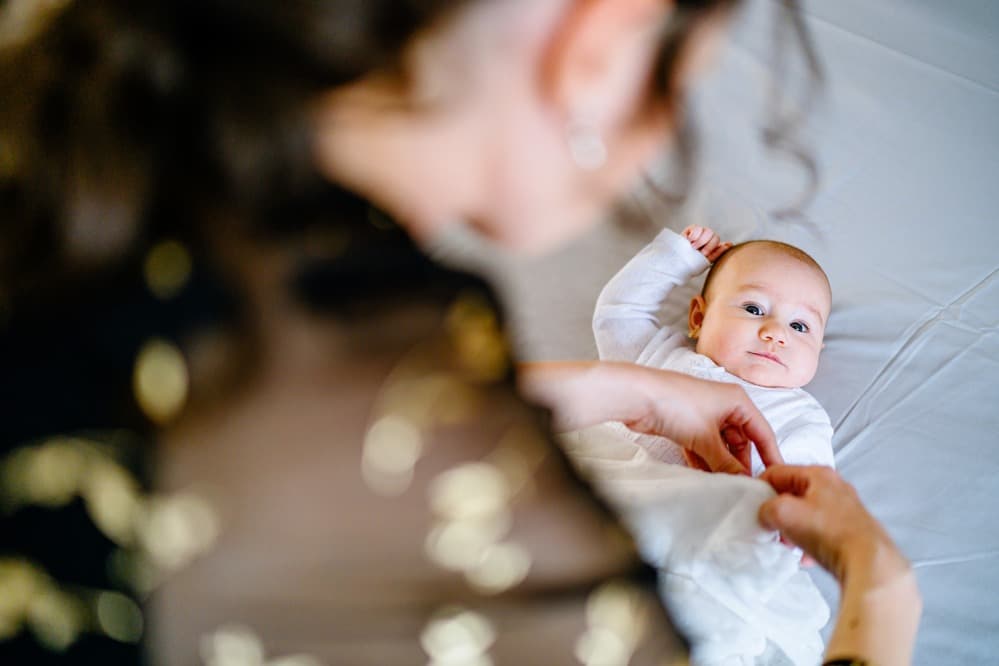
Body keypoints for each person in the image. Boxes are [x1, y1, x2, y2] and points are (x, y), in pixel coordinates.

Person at [0, 1, 919, 665]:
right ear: (599, 43)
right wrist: (879, 599)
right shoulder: (388, 367)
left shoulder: (102, 180)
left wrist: (638, 391)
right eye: (678, 88)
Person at [593, 224, 834, 475]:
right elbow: (618, 314)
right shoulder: (659, 354)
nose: (776, 333)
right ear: (699, 318)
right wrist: (680, 259)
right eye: (754, 309)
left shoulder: (801, 418)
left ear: (818, 349)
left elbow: (808, 490)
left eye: (799, 326)